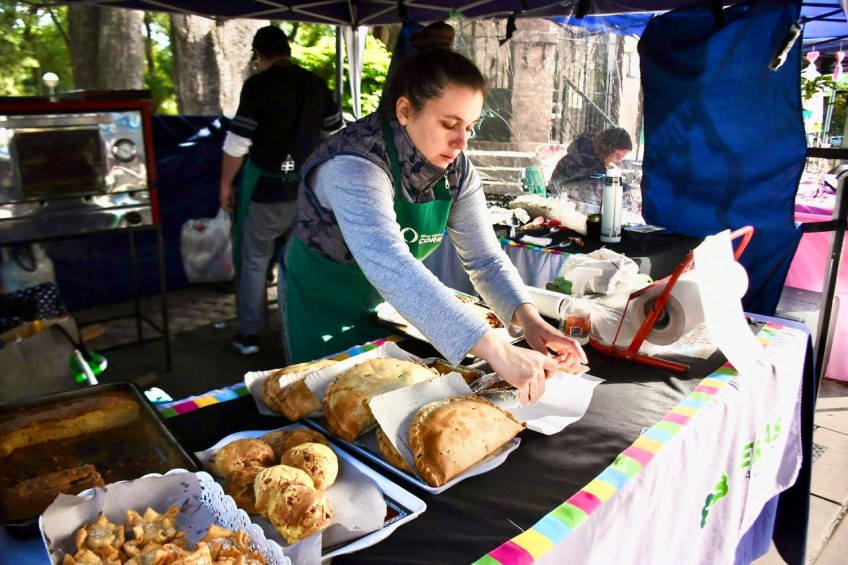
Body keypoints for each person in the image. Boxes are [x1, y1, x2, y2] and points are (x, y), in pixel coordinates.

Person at [279, 45, 587, 406]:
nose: (462, 141)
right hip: (323, 303)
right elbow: (391, 264)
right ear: (405, 111)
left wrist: (531, 320)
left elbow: (485, 260)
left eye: (470, 127)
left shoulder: (457, 171)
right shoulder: (354, 164)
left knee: (380, 402)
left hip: (392, 307)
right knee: (323, 405)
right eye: (449, 124)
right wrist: (498, 351)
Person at [220, 25, 343, 355]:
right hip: (309, 195)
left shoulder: (258, 85)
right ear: (287, 51)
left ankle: (249, 336)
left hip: (266, 193)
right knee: (304, 262)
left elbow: (237, 143)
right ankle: (306, 331)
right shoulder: (315, 84)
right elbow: (337, 136)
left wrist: (225, 184)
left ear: (259, 55)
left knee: (255, 262)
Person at [548, 127, 633, 205]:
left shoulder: (599, 163)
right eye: (617, 156)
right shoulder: (582, 162)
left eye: (622, 157)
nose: (619, 161)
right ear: (607, 149)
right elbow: (588, 193)